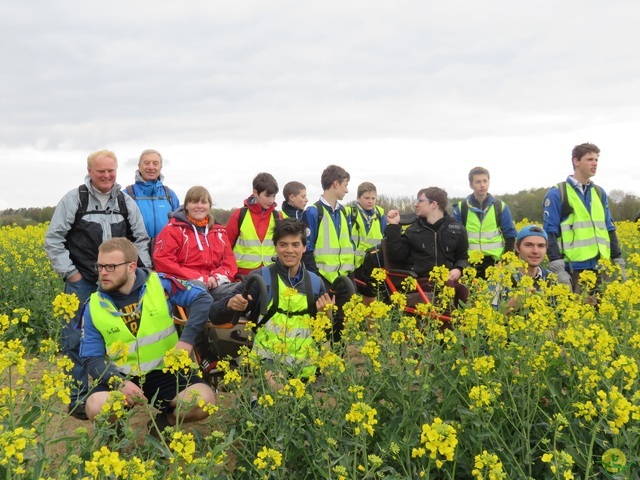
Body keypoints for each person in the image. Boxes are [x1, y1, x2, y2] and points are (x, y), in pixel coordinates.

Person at [44, 149, 151, 420]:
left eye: (111, 170)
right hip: (82, 281)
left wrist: (141, 273)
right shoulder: (75, 199)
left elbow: (140, 239)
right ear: (90, 172)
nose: (106, 175)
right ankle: (79, 398)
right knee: (75, 340)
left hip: (117, 285)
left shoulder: (126, 202)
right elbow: (53, 238)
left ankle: (117, 395)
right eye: (100, 171)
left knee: (120, 337)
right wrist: (72, 274)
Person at [80, 238, 216, 436]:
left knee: (204, 401)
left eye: (110, 266)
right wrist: (119, 382)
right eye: (100, 266)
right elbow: (91, 357)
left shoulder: (160, 285)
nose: (103, 273)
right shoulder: (92, 305)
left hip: (165, 371)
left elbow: (202, 298)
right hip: (122, 374)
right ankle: (114, 436)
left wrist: (186, 341)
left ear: (131, 267)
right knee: (96, 406)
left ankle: (163, 424)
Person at [213, 218, 334, 388]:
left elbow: (323, 334)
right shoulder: (260, 278)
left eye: (295, 245)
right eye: (283, 245)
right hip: (269, 361)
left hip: (305, 365)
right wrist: (230, 304)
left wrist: (325, 315)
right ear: (275, 247)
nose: (289, 250)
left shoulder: (315, 283)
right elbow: (215, 315)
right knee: (279, 389)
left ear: (304, 247)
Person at [542, 142, 625, 293]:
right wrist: (558, 268)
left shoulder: (599, 193)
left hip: (601, 268)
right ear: (576, 161)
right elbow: (550, 232)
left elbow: (609, 228)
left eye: (596, 160)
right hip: (574, 270)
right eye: (590, 159)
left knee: (602, 315)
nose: (595, 163)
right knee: (577, 315)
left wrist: (618, 261)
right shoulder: (558, 193)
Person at [386, 187, 469, 306]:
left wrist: (459, 269)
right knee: (447, 287)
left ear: (433, 204)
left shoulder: (457, 229)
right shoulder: (412, 230)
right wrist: (394, 226)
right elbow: (396, 256)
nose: (416, 205)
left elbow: (463, 257)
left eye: (420, 201)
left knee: (465, 292)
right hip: (421, 282)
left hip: (449, 281)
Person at [153, 186, 238, 303]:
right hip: (186, 285)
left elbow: (229, 262)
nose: (199, 206)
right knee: (199, 290)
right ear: (186, 205)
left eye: (204, 202)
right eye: (194, 201)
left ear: (209, 206)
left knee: (248, 287)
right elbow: (164, 262)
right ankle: (203, 318)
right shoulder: (172, 230)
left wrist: (216, 278)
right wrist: (200, 279)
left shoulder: (220, 232)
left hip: (215, 284)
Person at [302, 165, 356, 342]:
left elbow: (348, 245)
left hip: (343, 278)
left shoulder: (344, 212)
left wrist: (351, 275)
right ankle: (317, 367)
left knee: (341, 325)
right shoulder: (313, 212)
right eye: (345, 185)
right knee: (321, 325)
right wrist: (315, 279)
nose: (347, 190)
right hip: (322, 278)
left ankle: (337, 363)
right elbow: (307, 250)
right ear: (335, 184)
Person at [452, 167, 517, 278]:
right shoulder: (461, 208)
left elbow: (510, 236)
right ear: (471, 185)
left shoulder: (500, 207)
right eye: (478, 182)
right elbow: (455, 239)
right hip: (469, 264)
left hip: (494, 263)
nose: (482, 185)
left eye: (485, 181)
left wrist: (504, 262)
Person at [226, 172, 282, 277]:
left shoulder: (277, 216)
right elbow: (225, 248)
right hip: (242, 277)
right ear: (255, 192)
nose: (271, 200)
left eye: (274, 196)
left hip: (271, 275)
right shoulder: (239, 215)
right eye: (267, 195)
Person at [125, 149, 181, 240]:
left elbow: (179, 226)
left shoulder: (170, 195)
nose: (151, 167)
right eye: (146, 163)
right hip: (136, 250)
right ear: (139, 166)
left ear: (160, 167)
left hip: (165, 250)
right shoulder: (127, 194)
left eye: (155, 163)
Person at [491, 225, 550, 310]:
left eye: (541, 246)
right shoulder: (501, 277)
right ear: (517, 248)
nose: (535, 251)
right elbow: (487, 320)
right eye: (529, 245)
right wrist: (510, 307)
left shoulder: (549, 278)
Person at [347, 182, 387, 304]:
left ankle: (369, 323)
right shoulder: (350, 212)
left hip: (373, 262)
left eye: (373, 198)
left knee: (370, 298)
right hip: (354, 263)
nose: (370, 201)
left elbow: (384, 235)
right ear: (358, 198)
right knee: (350, 298)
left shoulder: (380, 213)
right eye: (366, 198)